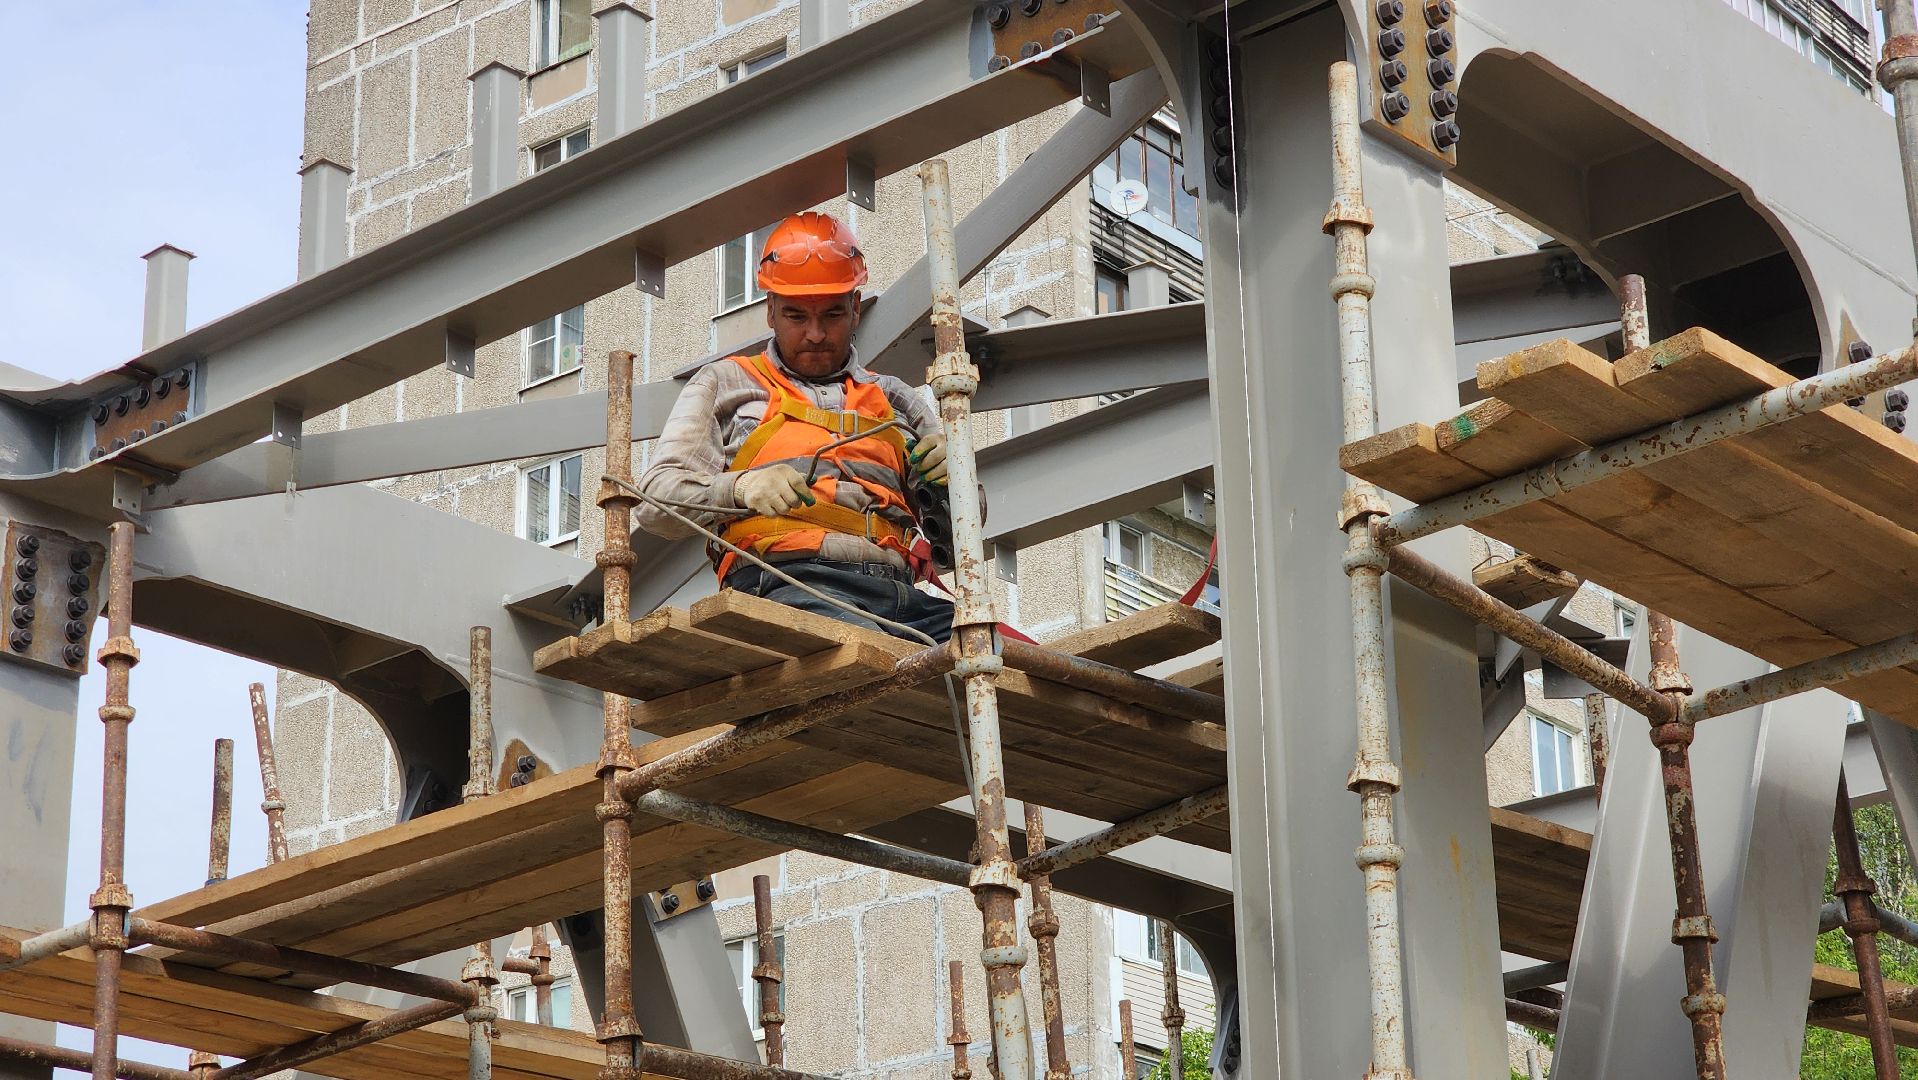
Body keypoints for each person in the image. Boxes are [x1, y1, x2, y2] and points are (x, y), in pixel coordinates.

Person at [634, 211, 956, 643]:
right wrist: (741, 488)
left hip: (898, 596)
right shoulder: (726, 384)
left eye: (833, 315)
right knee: (887, 659)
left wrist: (954, 483)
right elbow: (655, 502)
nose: (817, 334)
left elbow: (954, 546)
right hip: (787, 586)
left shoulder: (897, 399)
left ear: (856, 308)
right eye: (796, 316)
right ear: (769, 311)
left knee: (1003, 658)